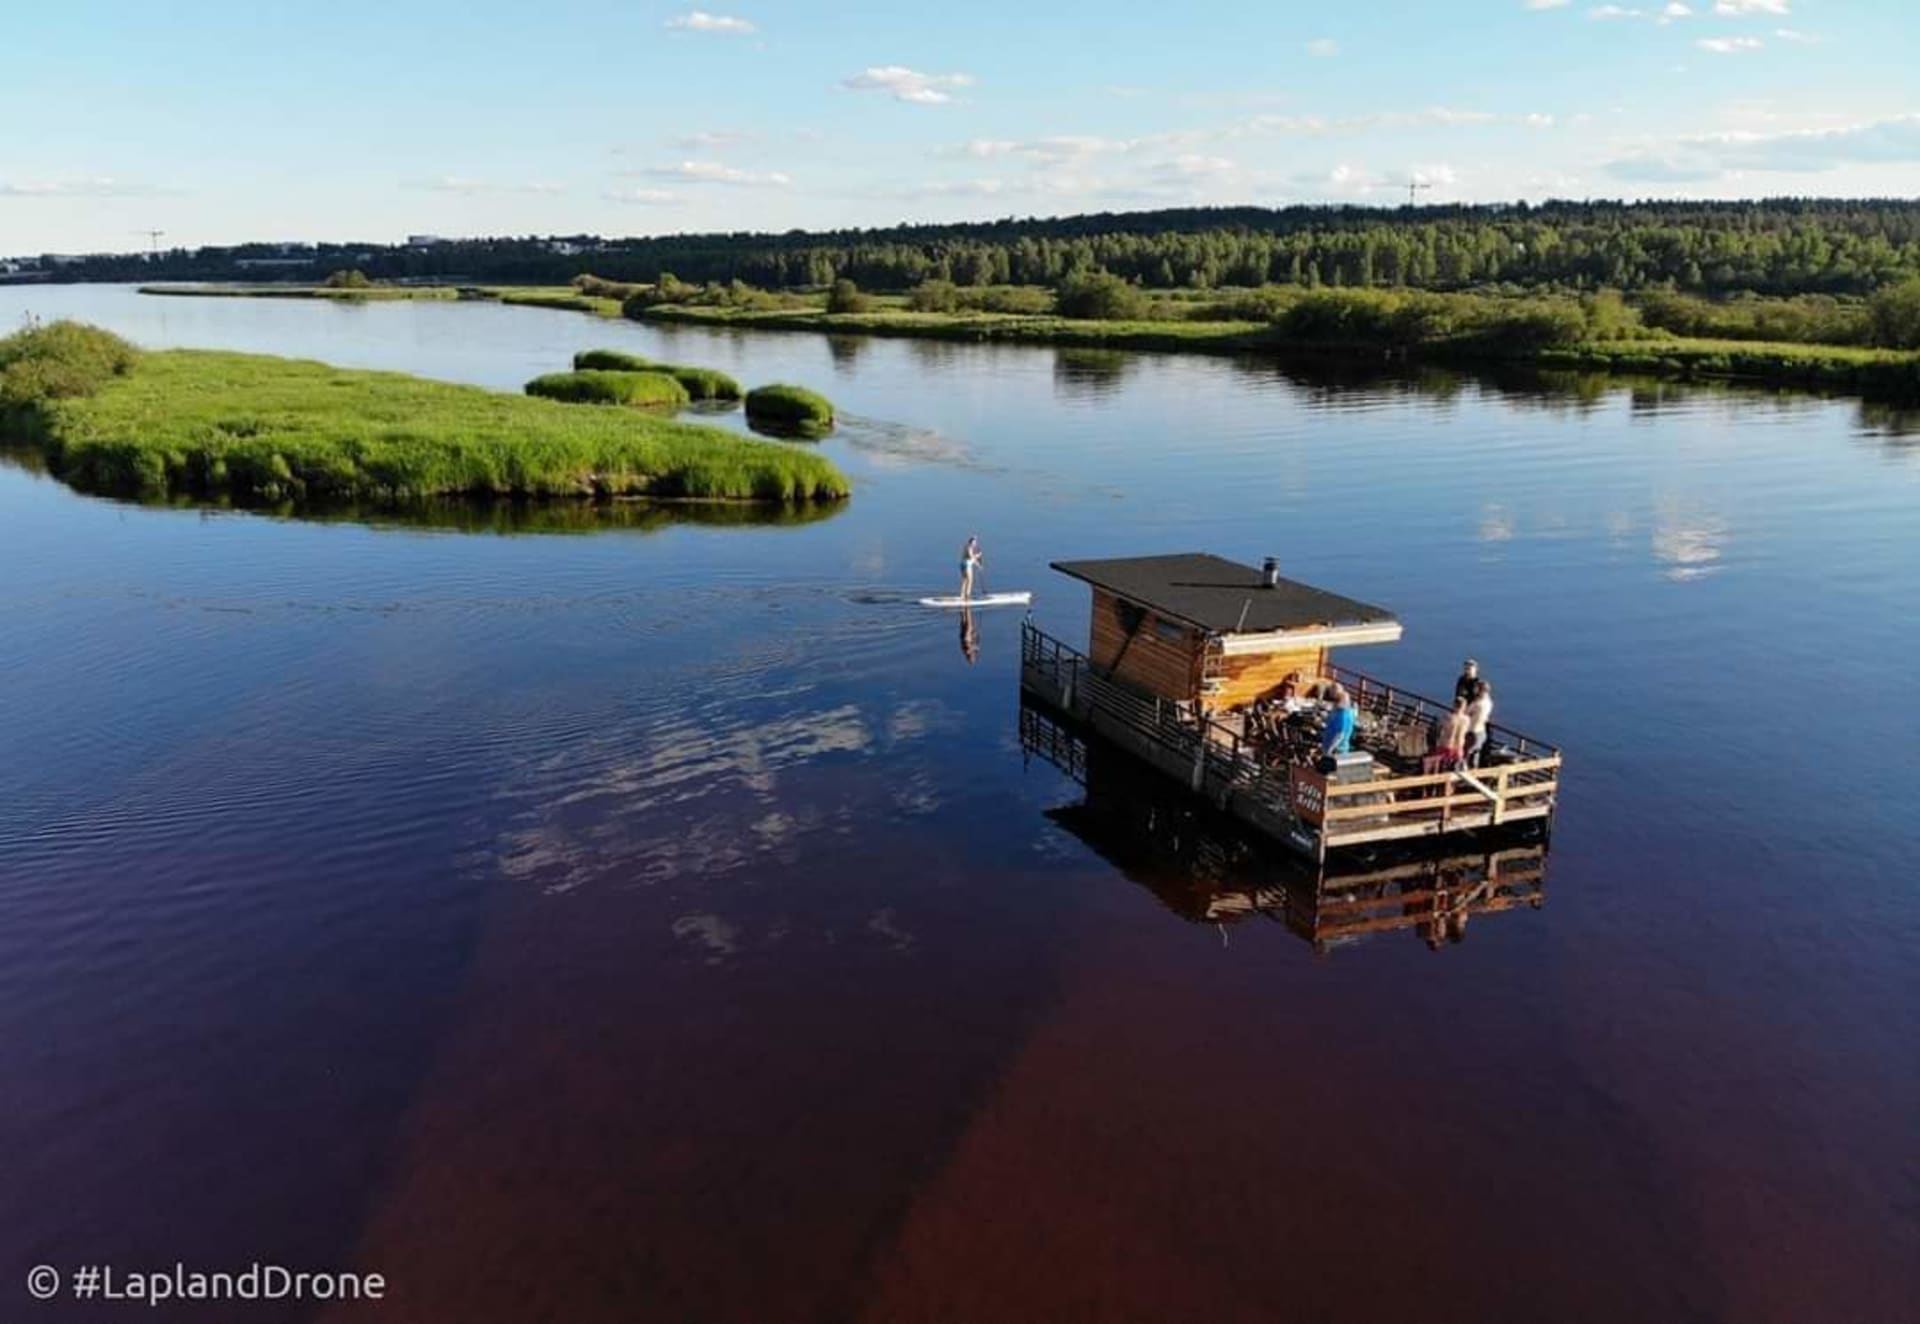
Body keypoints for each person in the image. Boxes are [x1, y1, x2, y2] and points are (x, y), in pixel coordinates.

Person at [1426, 696, 1470, 774]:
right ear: (1464, 707)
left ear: (1454, 705)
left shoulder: (1448, 717)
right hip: (1459, 748)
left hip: (1446, 745)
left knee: (1436, 766)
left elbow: (1439, 729)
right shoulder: (1466, 720)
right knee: (1455, 769)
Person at [1464, 680, 1495, 768]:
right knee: (1476, 754)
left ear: (1480, 690)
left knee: (1466, 755)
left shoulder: (1477, 703)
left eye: (1476, 688)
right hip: (1482, 731)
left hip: (1472, 731)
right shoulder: (1489, 702)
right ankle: (1474, 770)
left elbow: (1466, 712)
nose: (1475, 690)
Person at [1320, 685, 1356, 756]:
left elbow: (1340, 735)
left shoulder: (1343, 714)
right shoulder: (1344, 711)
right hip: (1331, 745)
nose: (1333, 704)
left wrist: (1330, 750)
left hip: (1337, 749)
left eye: (1335, 702)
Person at [958, 534, 983, 601]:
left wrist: (977, 557)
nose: (975, 543)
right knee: (970, 580)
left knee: (965, 580)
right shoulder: (970, 547)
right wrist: (979, 564)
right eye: (974, 542)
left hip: (962, 564)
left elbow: (972, 557)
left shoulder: (967, 546)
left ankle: (962, 596)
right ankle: (967, 596)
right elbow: (972, 557)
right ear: (971, 542)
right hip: (967, 565)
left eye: (976, 542)